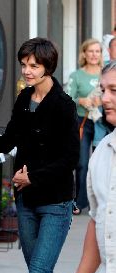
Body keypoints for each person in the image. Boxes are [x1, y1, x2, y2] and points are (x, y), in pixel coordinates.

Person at [0, 37, 80, 273]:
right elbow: (6, 143)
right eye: (24, 64)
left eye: (34, 65)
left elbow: (70, 159)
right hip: (26, 201)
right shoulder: (24, 99)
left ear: (48, 67)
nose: (27, 70)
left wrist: (34, 177)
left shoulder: (64, 105)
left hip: (55, 203)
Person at [66, 60, 116, 273]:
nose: (104, 99)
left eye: (114, 91)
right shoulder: (102, 153)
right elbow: (97, 222)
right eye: (103, 90)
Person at [65, 38, 108, 215]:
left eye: (97, 51)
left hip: (102, 124)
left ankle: (102, 201)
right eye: (90, 51)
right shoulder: (77, 75)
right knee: (82, 163)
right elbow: (67, 99)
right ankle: (79, 201)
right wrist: (79, 100)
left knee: (103, 163)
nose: (93, 55)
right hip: (81, 123)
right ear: (84, 53)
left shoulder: (107, 73)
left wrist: (103, 100)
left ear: (101, 54)